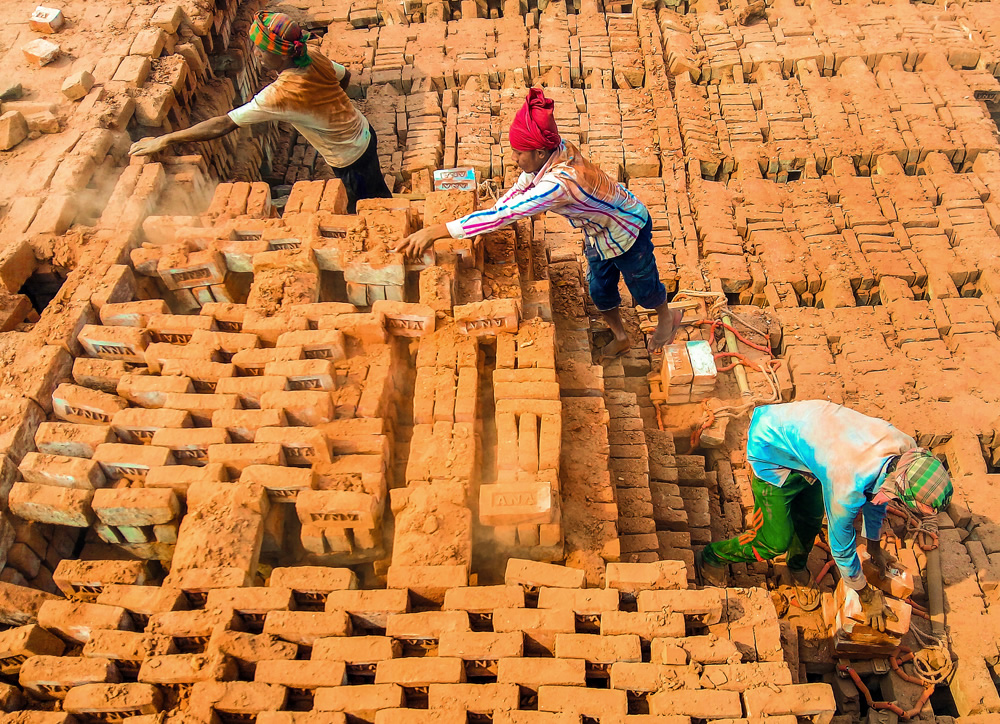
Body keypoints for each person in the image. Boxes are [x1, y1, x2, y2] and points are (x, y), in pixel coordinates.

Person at [393, 88, 683, 357]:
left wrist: (437, 231)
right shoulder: (555, 148)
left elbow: (506, 215)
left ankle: (665, 318)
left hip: (627, 231)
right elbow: (519, 191)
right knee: (599, 289)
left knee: (643, 287)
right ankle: (621, 337)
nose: (514, 158)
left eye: (519, 153)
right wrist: (482, 222)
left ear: (540, 153)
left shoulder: (559, 184)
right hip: (597, 234)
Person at [697, 400, 953, 632]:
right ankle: (713, 557)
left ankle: (796, 566)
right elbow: (841, 548)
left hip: (814, 453)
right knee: (774, 541)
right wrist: (865, 595)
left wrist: (875, 547)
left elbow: (879, 496)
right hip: (772, 450)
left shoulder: (906, 449)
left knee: (810, 520)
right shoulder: (847, 486)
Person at [129, 12, 392, 213]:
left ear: (280, 56)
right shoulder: (312, 55)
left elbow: (224, 124)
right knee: (374, 186)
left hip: (349, 157)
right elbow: (344, 77)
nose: (256, 54)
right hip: (363, 130)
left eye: (261, 49)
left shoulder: (281, 94)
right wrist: (328, 105)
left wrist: (166, 138)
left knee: (370, 208)